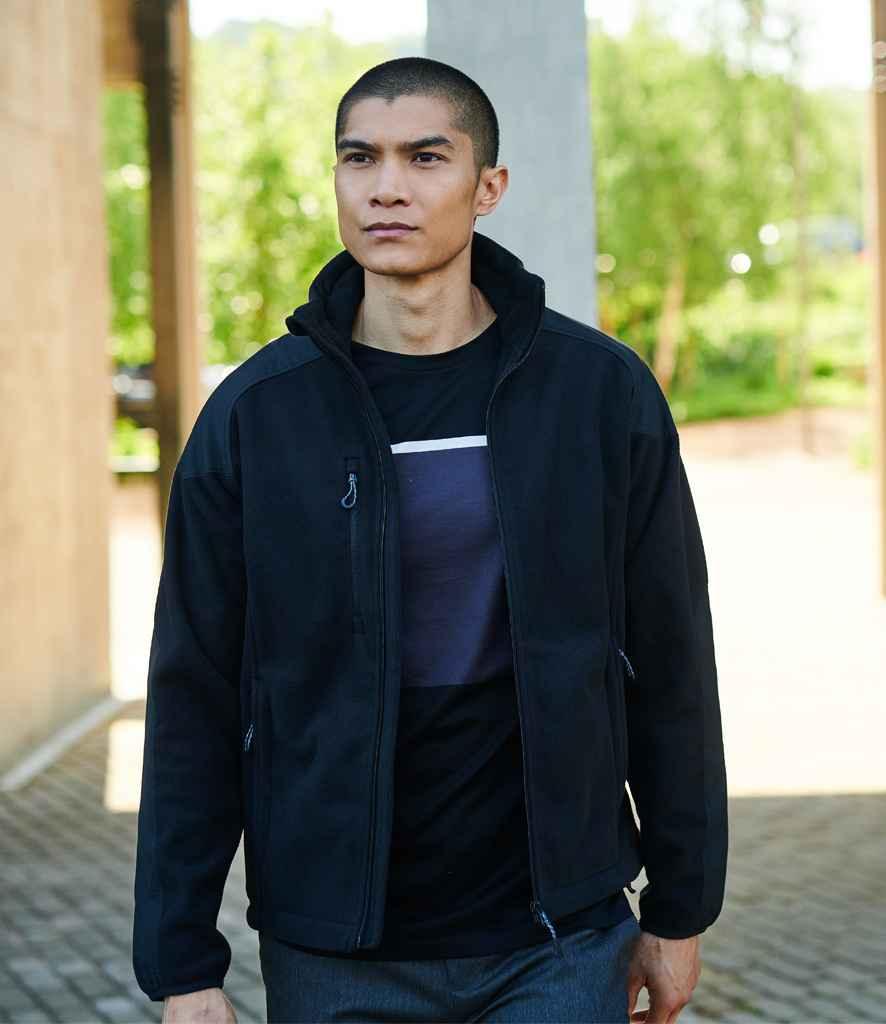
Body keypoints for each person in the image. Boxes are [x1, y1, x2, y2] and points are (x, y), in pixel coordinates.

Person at [133, 55, 728, 1024]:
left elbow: (671, 658)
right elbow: (193, 691)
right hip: (337, 949)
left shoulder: (595, 393)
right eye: (358, 158)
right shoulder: (257, 417)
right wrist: (182, 964)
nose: (386, 187)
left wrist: (679, 905)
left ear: (487, 187)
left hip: (558, 941)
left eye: (424, 157)